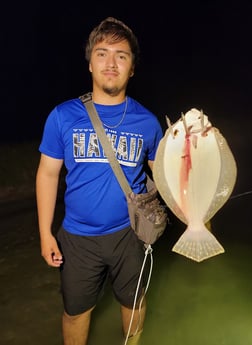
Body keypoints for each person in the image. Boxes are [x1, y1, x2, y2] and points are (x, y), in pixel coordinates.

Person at [36, 17, 163, 345]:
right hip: (77, 239)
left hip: (129, 236)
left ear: (132, 68)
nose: (111, 62)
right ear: (90, 63)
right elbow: (48, 174)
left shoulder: (147, 122)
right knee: (75, 311)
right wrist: (45, 234)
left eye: (121, 55)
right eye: (102, 53)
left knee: (133, 303)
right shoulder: (63, 116)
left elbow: (167, 176)